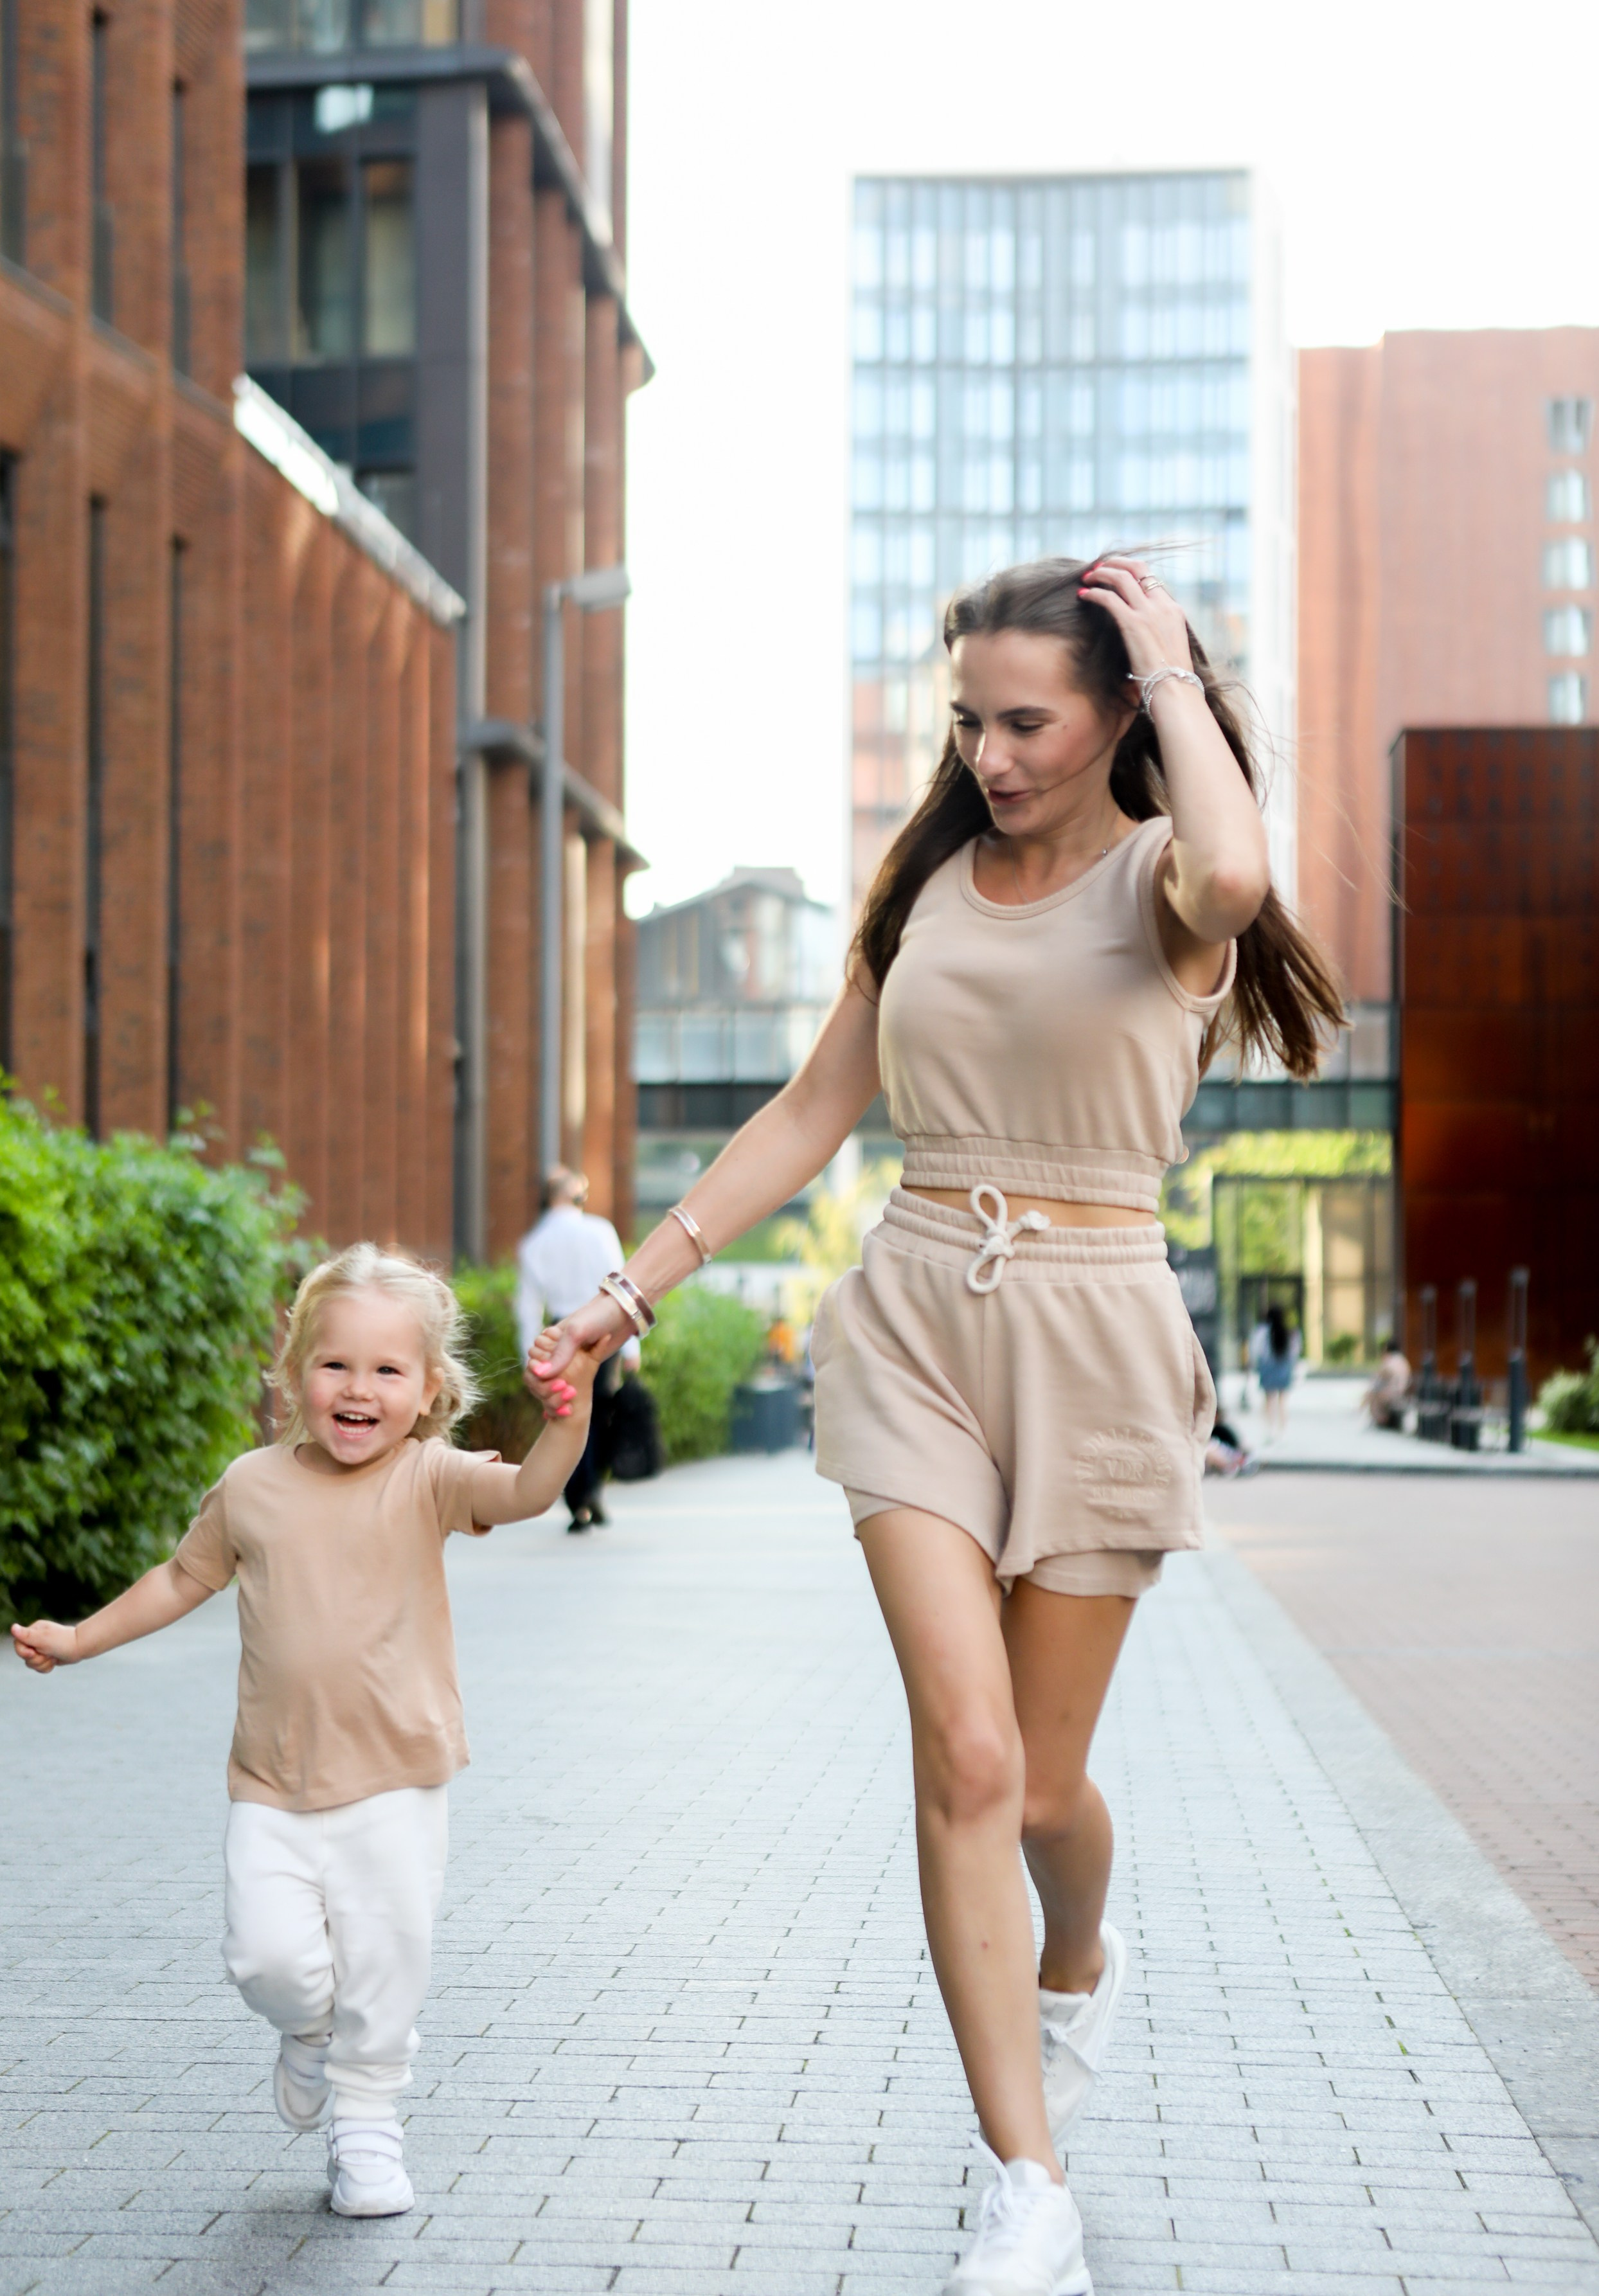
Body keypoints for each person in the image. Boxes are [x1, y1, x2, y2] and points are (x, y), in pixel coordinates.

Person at [528, 555, 1343, 2296]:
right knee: (967, 1760)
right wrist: (635, 1285)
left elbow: (1250, 867)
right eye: (966, 716)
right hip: (912, 1324)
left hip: (1104, 1332)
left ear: (1124, 714)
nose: (989, 750)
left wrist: (1183, 674)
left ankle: (1085, 1949)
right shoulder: (926, 895)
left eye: (1027, 718)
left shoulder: (1167, 887)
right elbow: (814, 1110)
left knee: (1043, 1784)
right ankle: (1022, 2174)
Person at [12, 1243, 603, 2221]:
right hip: (273, 1784)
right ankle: (308, 2032)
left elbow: (530, 1493)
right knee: (267, 1960)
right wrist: (80, 1641)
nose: (357, 1388)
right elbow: (178, 1580)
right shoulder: (251, 1486)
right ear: (293, 1375)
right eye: (335, 1364)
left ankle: (367, 2122)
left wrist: (566, 1422)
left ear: (426, 1392)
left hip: (397, 1781)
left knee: (387, 1956)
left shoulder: (430, 1477)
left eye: (386, 1370)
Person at [519, 1167, 639, 1531]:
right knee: (601, 1413)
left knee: (568, 1416)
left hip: (559, 1333)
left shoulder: (534, 1243)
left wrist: (532, 1358)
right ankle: (594, 1492)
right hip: (603, 1332)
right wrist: (633, 1345)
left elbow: (526, 1308)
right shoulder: (600, 1232)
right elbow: (623, 1291)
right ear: (577, 1197)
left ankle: (578, 1501)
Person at [1250, 1302, 1302, 1437]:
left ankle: (1269, 1429)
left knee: (1268, 1400)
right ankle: (1282, 1430)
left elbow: (1257, 1350)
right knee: (1282, 1401)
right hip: (1284, 1368)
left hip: (1268, 1367)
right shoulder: (1291, 1331)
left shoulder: (1262, 1331)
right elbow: (1295, 1352)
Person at [1364, 1337, 1411, 1431]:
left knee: (1373, 1394)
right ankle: (1380, 1419)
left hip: (1395, 1394)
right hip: (1402, 1392)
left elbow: (1381, 1375)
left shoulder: (1392, 1361)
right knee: (1373, 1393)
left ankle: (1380, 1419)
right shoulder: (1402, 1360)